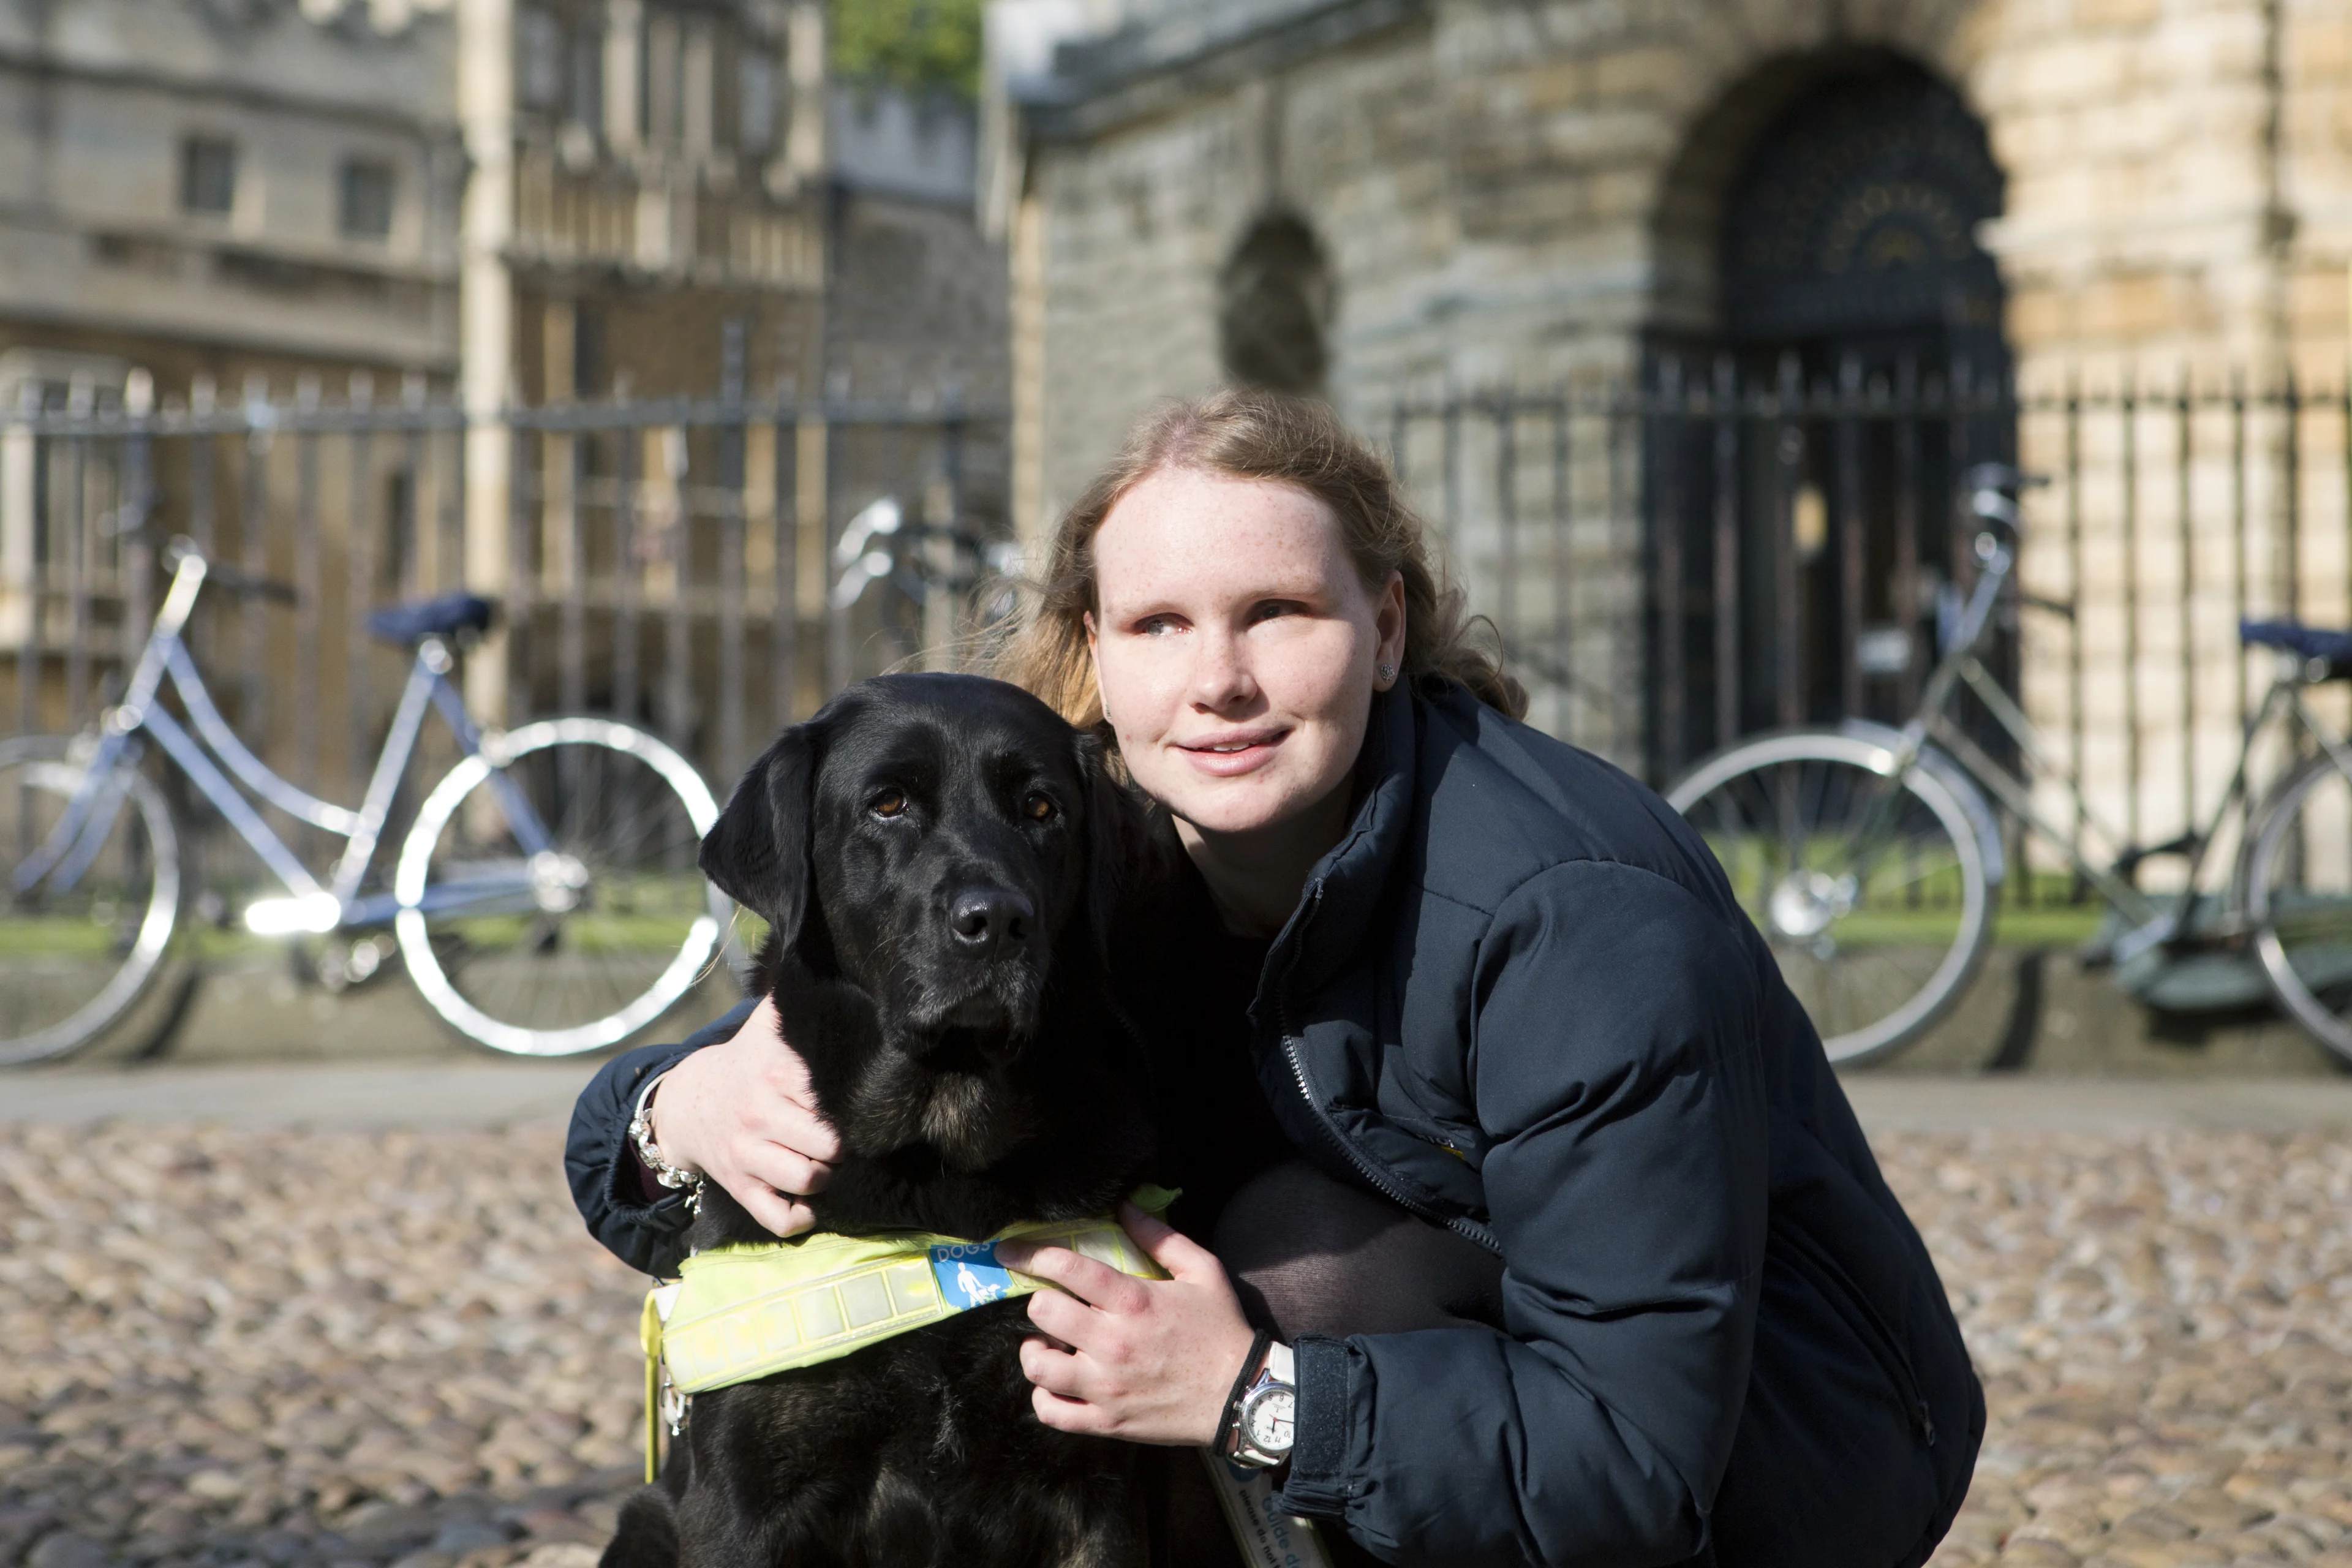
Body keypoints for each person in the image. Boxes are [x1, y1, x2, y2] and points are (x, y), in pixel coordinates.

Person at [567, 389, 1981, 1567]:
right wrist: (670, 1108)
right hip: (1475, 1388)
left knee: (1274, 1268)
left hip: (1760, 1480)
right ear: (1095, 658)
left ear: (1388, 625)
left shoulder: (1573, 921)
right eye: (1160, 625)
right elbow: (835, 1053)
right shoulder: (1092, 851)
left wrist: (1251, 1393)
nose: (1219, 679)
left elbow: (1634, 1452)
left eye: (1278, 612)